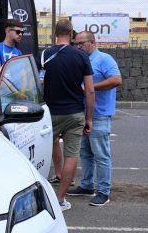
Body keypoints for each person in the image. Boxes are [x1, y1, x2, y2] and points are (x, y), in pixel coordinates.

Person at [40, 19, 94, 211]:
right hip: (75, 113)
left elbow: (38, 84)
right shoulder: (81, 56)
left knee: (41, 151)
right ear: (71, 34)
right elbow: (90, 91)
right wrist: (89, 118)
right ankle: (60, 199)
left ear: (55, 33)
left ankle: (38, 197)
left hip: (50, 113)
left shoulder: (45, 54)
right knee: (71, 155)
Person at [66, 31, 122, 206]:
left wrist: (91, 87)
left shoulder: (104, 59)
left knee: (101, 155)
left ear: (93, 42)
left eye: (81, 43)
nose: (78, 47)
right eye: (76, 44)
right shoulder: (80, 60)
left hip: (99, 115)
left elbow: (117, 80)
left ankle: (104, 192)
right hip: (82, 114)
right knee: (85, 153)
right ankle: (87, 185)